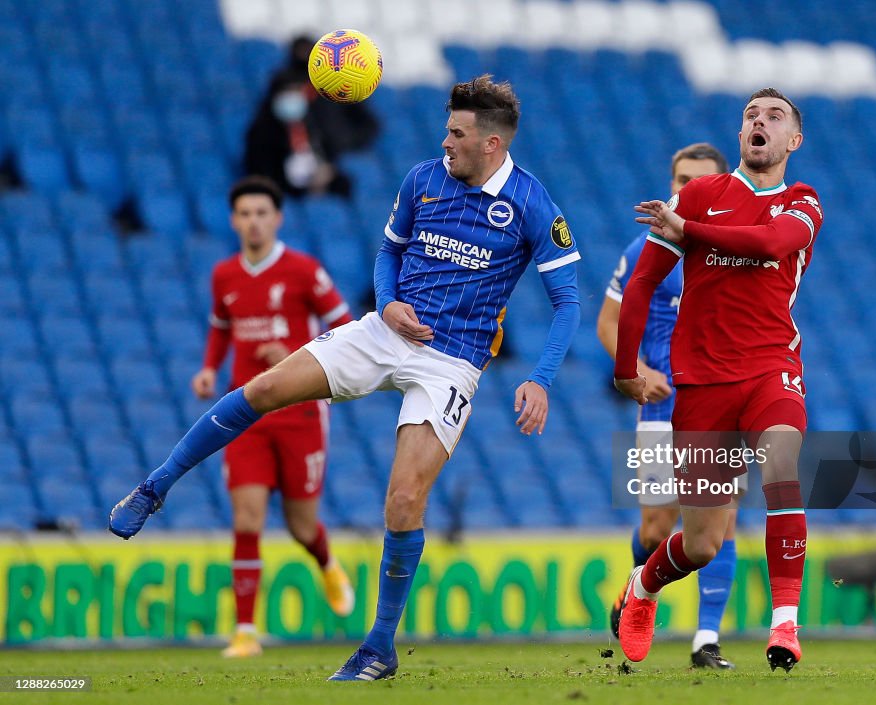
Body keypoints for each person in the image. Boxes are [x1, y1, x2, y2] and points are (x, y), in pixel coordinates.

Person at [109, 75, 581, 682]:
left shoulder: (533, 204)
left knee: (405, 500)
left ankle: (378, 650)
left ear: (491, 144)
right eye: (447, 130)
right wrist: (386, 304)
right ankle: (154, 486)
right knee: (262, 389)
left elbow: (567, 303)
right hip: (386, 331)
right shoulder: (423, 178)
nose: (446, 141)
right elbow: (389, 251)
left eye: (457, 133)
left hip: (452, 360)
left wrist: (540, 378)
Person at [612, 88, 822, 673]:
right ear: (741, 135)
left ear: (792, 140)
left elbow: (770, 244)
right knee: (702, 543)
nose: (761, 122)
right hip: (703, 383)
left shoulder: (801, 203)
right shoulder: (700, 196)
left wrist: (689, 228)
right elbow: (642, 284)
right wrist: (627, 368)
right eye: (751, 115)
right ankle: (645, 587)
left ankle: (785, 624)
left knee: (782, 466)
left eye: (774, 116)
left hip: (770, 368)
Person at [193, 176, 356, 657]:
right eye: (244, 214)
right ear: (233, 221)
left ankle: (326, 562)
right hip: (244, 413)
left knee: (301, 526)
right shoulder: (224, 275)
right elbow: (220, 329)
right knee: (247, 519)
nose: (253, 221)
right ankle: (245, 631)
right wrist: (207, 368)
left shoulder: (305, 271)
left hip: (300, 412)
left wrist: (295, 354)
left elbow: (346, 330)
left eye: (262, 212)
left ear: (278, 218)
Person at [597, 143, 741, 670]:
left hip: (721, 402)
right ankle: (640, 586)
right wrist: (637, 370)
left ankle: (706, 640)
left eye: (700, 181)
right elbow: (608, 324)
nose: (687, 191)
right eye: (681, 180)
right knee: (658, 529)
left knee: (722, 523)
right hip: (662, 406)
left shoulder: (738, 251)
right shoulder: (645, 248)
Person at [244, 67, 379, 199]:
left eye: (298, 90)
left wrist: (327, 175)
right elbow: (262, 175)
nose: (294, 97)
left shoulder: (314, 126)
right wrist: (305, 189)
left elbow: (330, 157)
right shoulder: (262, 134)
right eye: (288, 91)